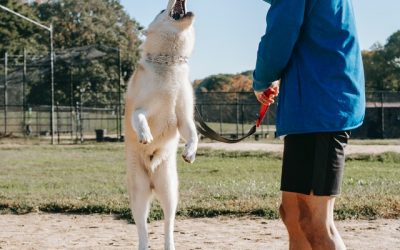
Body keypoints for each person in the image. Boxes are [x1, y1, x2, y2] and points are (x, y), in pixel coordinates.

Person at [252, 0, 365, 249]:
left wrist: (262, 78)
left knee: (314, 222)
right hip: (310, 107)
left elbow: (280, 35)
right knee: (292, 214)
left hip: (321, 106)